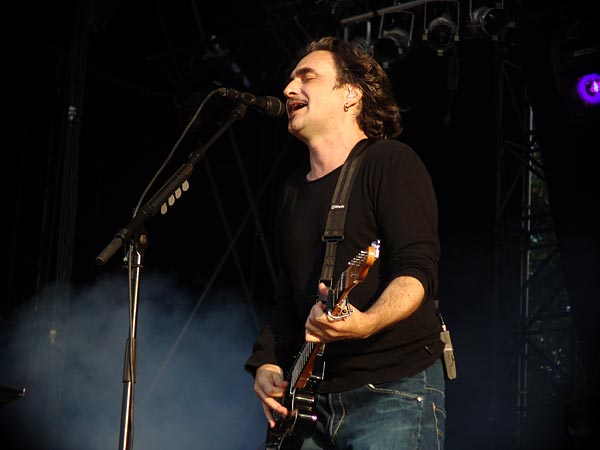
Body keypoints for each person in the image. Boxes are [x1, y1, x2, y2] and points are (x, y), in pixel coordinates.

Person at [245, 36, 446, 449]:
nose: (288, 89)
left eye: (307, 77)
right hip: (310, 400)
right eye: (290, 80)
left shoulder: (390, 161)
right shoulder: (291, 190)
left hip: (391, 390)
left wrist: (366, 322)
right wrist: (267, 362)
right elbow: (287, 300)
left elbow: (417, 271)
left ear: (351, 95)